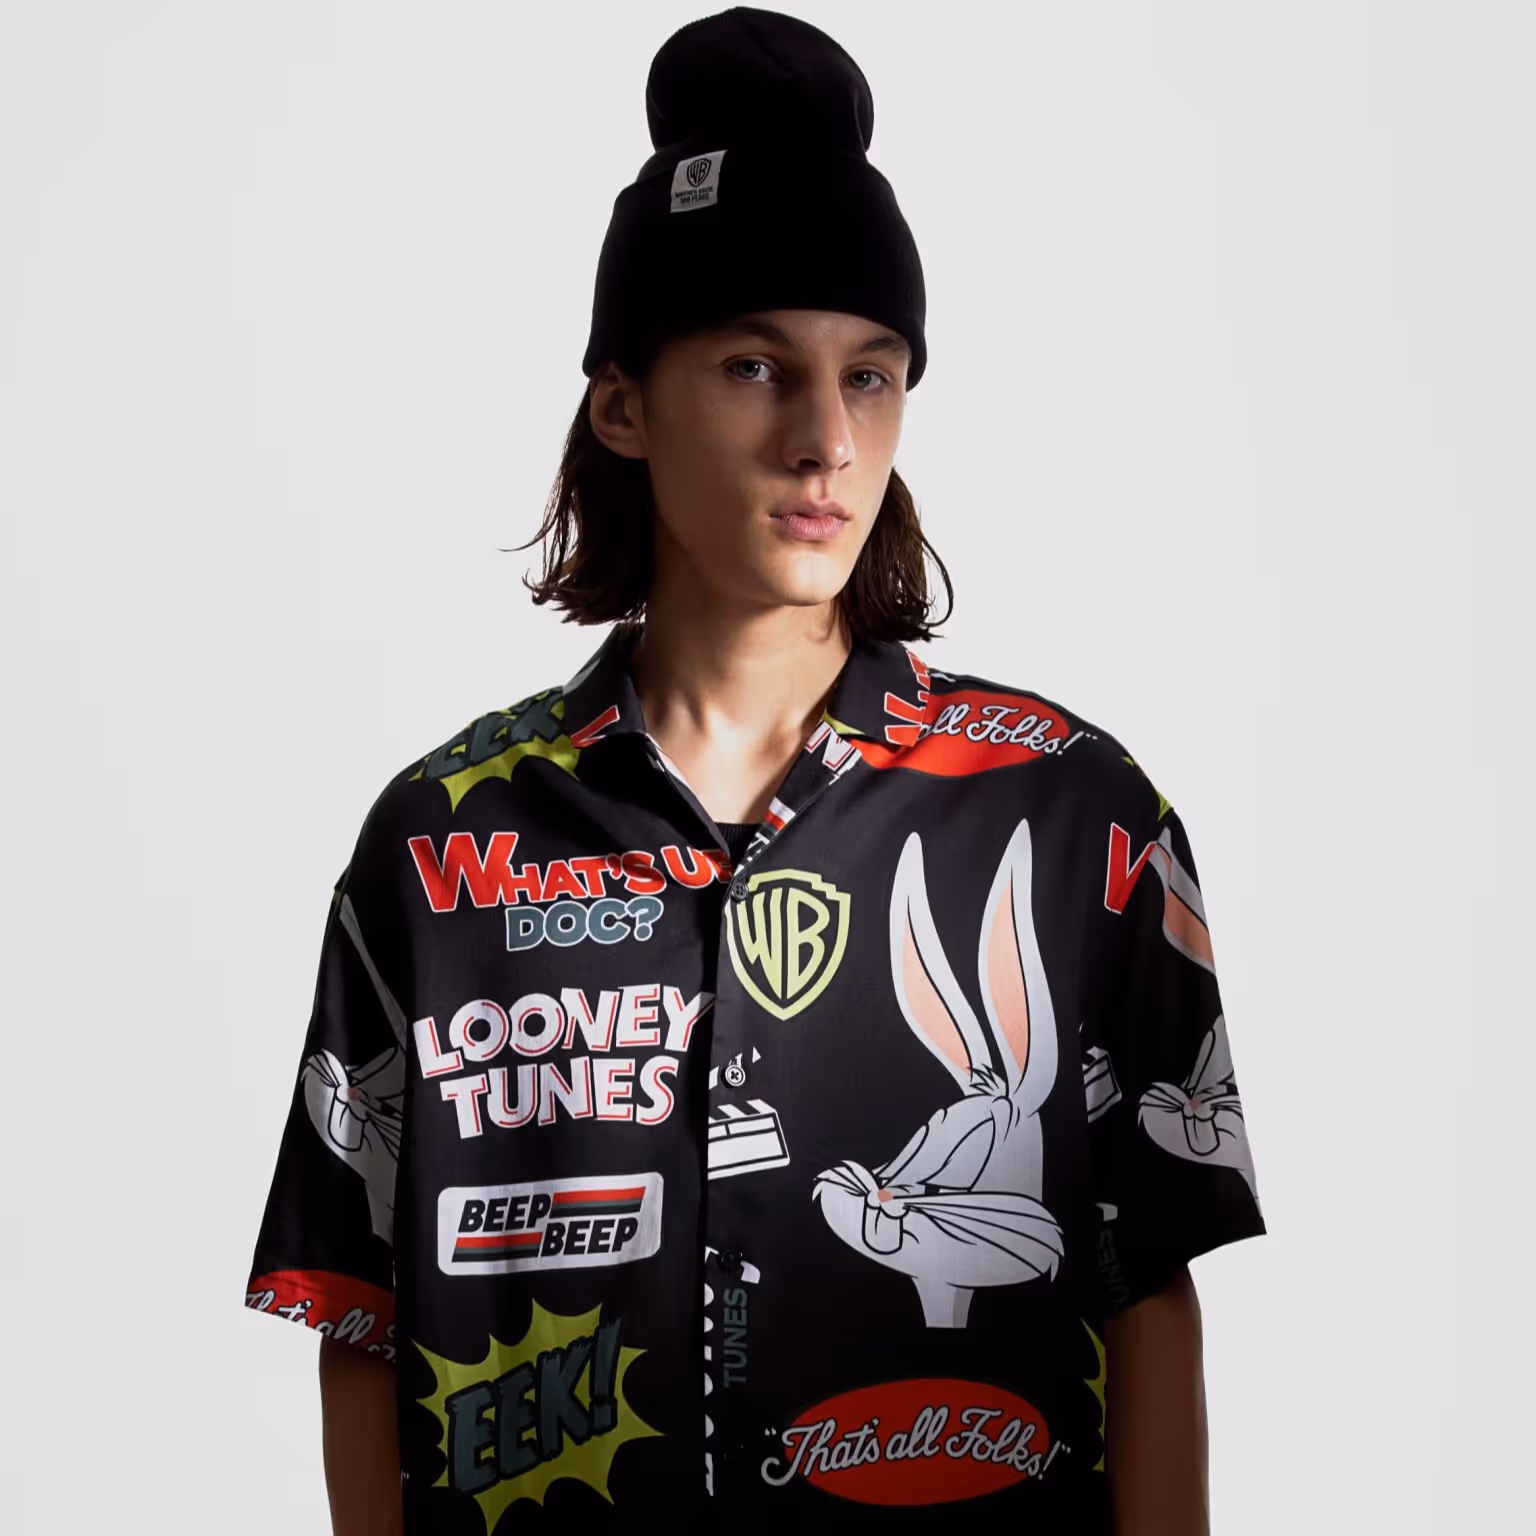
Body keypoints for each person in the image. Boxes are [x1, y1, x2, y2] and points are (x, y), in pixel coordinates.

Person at [244, 8, 1265, 1533]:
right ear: (623, 405)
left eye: (871, 376)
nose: (823, 440)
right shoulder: (440, 843)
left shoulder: (1073, 815)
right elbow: (358, 1310)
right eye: (753, 366)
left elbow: (1150, 1295)